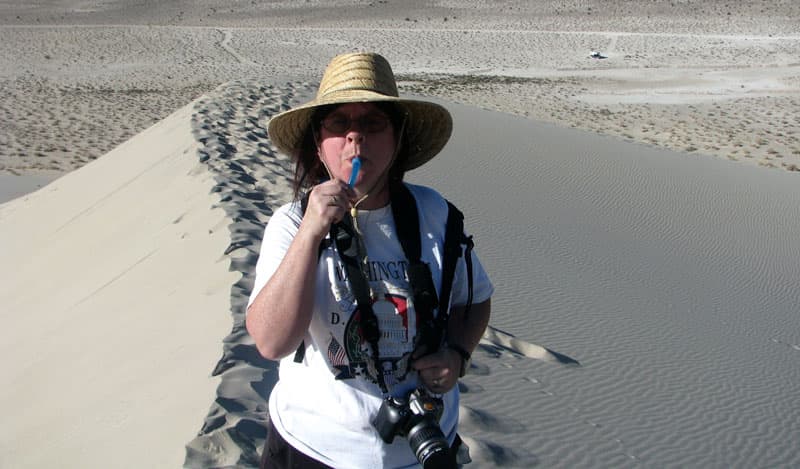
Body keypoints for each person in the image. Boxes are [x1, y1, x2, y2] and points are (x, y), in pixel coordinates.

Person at [246, 52, 494, 468]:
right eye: (339, 124)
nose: (355, 138)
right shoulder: (290, 224)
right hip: (315, 449)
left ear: (397, 139)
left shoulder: (435, 214)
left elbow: (474, 299)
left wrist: (457, 354)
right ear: (318, 144)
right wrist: (311, 232)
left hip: (424, 449)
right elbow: (272, 342)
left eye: (373, 123)